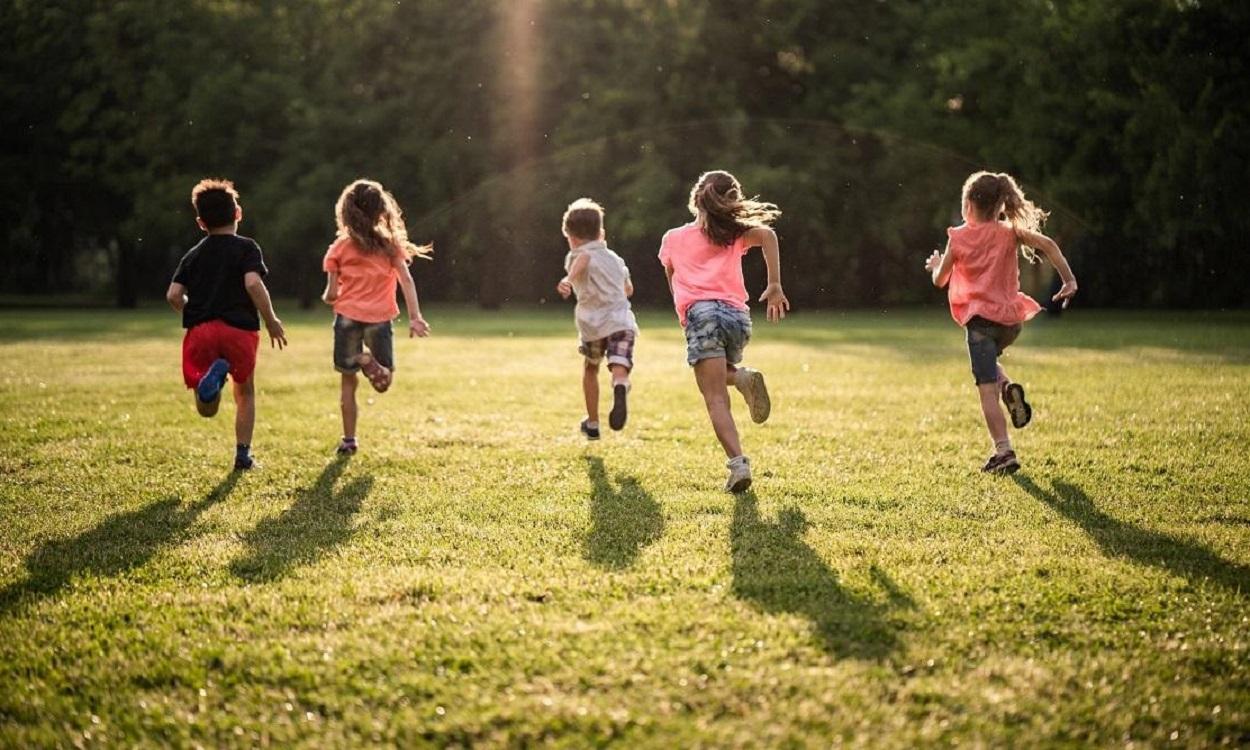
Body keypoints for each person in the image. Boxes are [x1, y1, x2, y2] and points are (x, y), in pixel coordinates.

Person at [925, 170, 1078, 474]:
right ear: (999, 207)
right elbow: (1048, 244)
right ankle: (1008, 388)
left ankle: (1003, 451)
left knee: (985, 390)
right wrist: (1069, 279)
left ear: (968, 205)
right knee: (991, 366)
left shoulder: (959, 237)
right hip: (1010, 321)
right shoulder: (1010, 232)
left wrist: (934, 265)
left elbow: (940, 280)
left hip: (980, 323)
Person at [659, 170, 789, 492]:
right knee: (719, 377)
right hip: (737, 318)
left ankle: (738, 464)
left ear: (696, 199)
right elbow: (769, 237)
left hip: (702, 315)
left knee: (714, 396)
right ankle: (741, 377)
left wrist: (684, 311)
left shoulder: (673, 238)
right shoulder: (734, 234)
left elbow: (671, 277)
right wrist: (773, 284)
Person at [166, 178, 287, 471]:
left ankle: (211, 381)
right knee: (245, 391)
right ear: (238, 213)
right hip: (240, 331)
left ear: (200, 223)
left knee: (207, 410)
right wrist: (271, 320)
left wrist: (192, 312)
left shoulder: (193, 255)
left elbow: (173, 294)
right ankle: (243, 456)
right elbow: (253, 283)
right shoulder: (247, 248)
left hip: (202, 331)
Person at [321, 179, 431, 455]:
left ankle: (349, 440)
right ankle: (369, 361)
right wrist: (415, 316)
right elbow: (406, 279)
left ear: (345, 212)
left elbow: (332, 293)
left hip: (346, 317)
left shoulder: (339, 248)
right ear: (381, 210)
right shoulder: (389, 245)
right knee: (384, 382)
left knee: (348, 380)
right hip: (379, 319)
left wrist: (330, 296)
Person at [556, 198, 639, 439]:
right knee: (619, 365)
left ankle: (592, 423)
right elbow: (628, 290)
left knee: (591, 368)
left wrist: (569, 279)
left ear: (570, 237)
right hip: (621, 321)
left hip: (593, 326)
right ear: (601, 233)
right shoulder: (616, 259)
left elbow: (584, 259)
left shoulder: (577, 255)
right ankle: (620, 385)